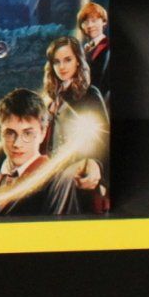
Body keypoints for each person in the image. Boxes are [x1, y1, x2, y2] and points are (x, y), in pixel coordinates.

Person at [41, 35, 108, 210]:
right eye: (56, 62)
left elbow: (104, 139)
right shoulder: (51, 97)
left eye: (67, 60)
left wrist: (96, 166)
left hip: (78, 176)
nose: (62, 67)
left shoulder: (90, 94)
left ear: (78, 61)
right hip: (51, 175)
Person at [78, 1, 111, 96]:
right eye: (85, 22)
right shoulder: (83, 50)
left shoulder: (108, 47)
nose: (89, 25)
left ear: (104, 22)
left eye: (94, 20)